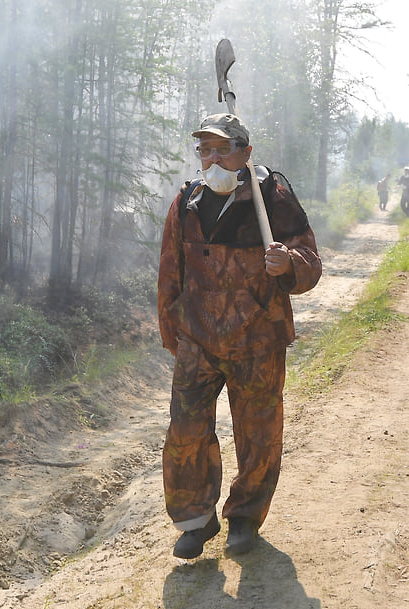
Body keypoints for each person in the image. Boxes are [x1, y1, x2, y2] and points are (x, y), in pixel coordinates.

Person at [158, 113, 322, 559]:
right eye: (204, 150)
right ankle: (196, 520)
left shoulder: (274, 199)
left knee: (258, 434)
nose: (211, 159)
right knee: (185, 430)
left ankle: (245, 517)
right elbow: (170, 274)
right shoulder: (187, 202)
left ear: (246, 153)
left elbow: (311, 261)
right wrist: (174, 335)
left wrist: (288, 263)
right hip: (198, 340)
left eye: (222, 149)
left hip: (258, 339)